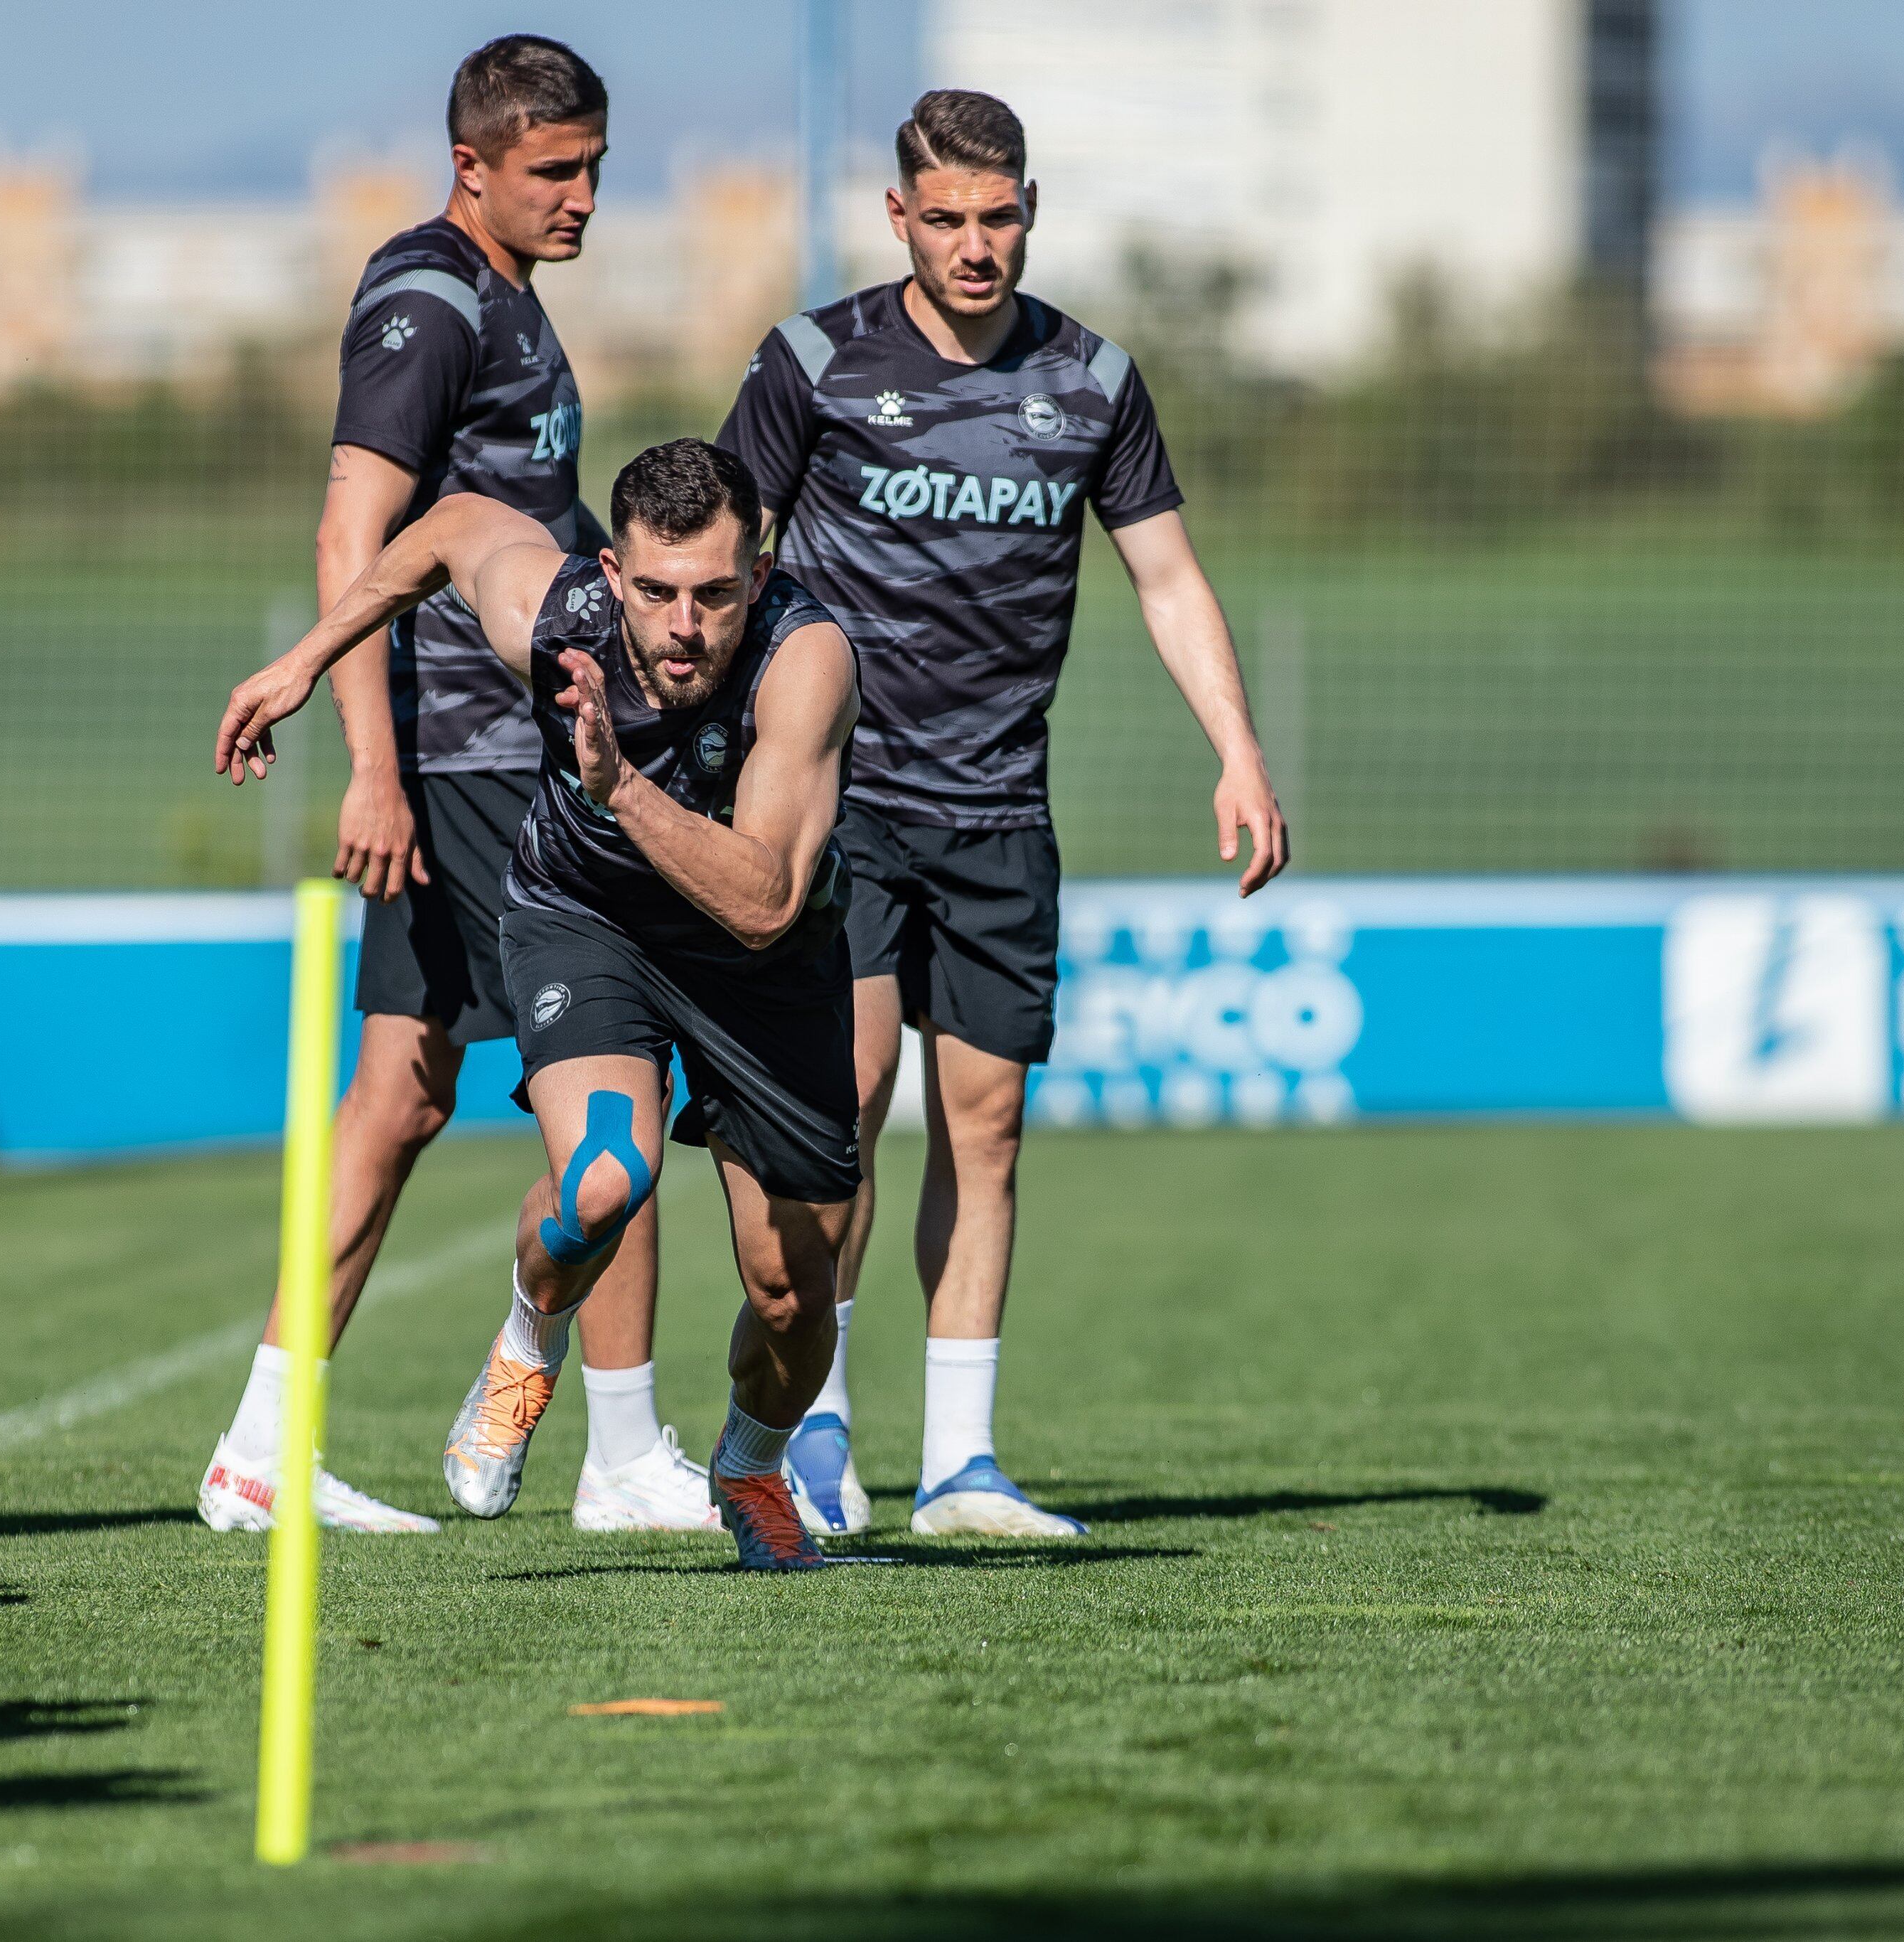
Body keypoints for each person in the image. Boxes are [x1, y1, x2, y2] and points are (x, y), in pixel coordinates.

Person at [719, 89, 1288, 1539]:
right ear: (898, 217)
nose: (976, 246)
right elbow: (722, 563)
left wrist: (1235, 748)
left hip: (996, 814)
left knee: (986, 1128)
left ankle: (963, 1463)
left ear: (1027, 211)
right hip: (840, 811)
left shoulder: (1093, 379)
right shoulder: (811, 362)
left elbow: (1164, 575)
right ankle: (821, 1432)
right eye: (948, 219)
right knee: (838, 1117)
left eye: (1000, 217)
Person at [198, 34, 715, 1539]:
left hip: (480, 755)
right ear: (469, 165)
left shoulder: (500, 295)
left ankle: (258, 1446)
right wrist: (373, 759)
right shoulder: (427, 298)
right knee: (612, 1077)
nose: (583, 198)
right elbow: (355, 529)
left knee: (401, 1094)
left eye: (596, 170)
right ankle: (616, 1454)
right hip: (474, 764)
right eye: (554, 172)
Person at [218, 440, 861, 1571]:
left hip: (762, 963)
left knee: (791, 1288)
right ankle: (527, 1350)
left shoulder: (804, 661)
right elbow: (445, 529)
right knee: (607, 1177)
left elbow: (763, 903)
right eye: (655, 592)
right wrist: (304, 663)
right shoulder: (551, 606)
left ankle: (750, 1462)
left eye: (716, 594)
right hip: (589, 924)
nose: (684, 627)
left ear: (757, 577)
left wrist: (618, 786)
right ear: (609, 574)